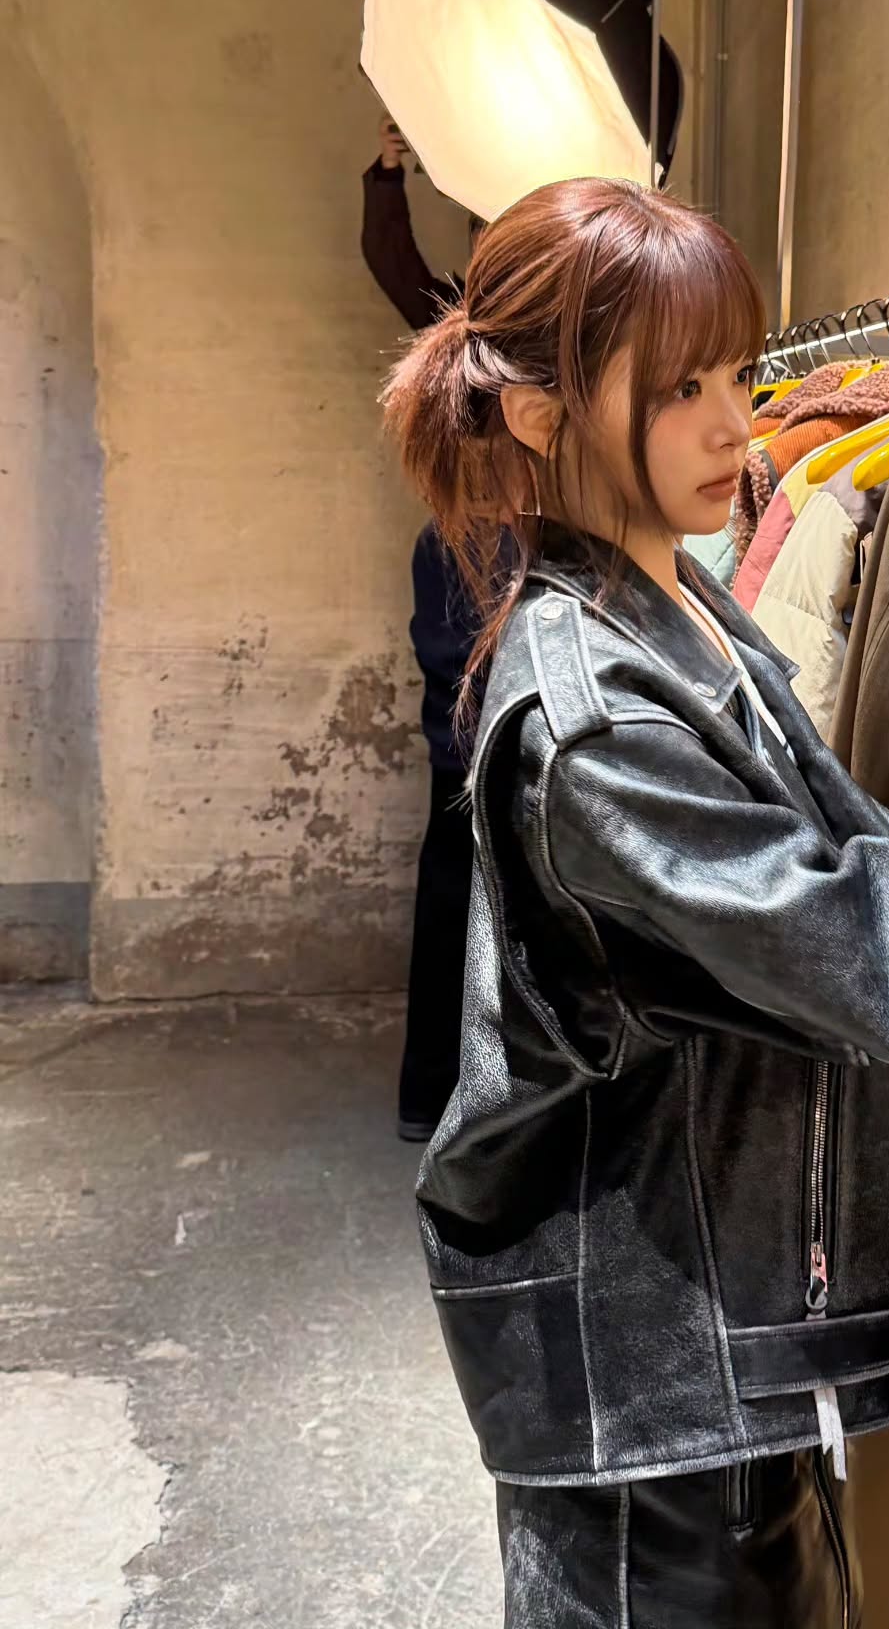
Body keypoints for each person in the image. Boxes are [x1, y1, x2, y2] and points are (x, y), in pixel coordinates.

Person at [382, 177, 889, 1626]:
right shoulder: (598, 729)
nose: (735, 425)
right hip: (651, 1413)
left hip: (711, 1365)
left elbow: (866, 887)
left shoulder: (675, 610)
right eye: (676, 389)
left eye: (735, 374)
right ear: (542, 416)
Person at [360, 114, 487, 1138]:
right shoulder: (458, 331)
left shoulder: (570, 340)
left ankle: (475, 1096)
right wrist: (389, 168)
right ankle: (432, 1090)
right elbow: (391, 259)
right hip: (463, 573)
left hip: (515, 571)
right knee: (455, 845)